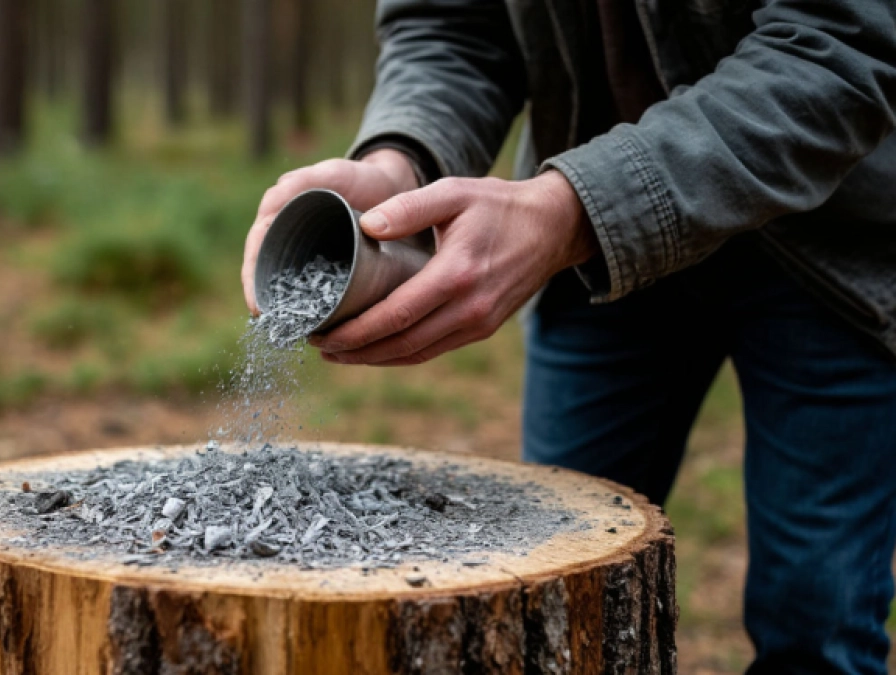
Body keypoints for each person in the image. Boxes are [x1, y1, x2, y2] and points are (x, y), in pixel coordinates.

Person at [241, 1, 896, 673]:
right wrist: (402, 155)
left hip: (827, 246)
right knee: (559, 601)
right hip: (596, 255)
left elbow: (839, 45)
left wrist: (575, 209)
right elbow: (450, 27)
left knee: (817, 625)